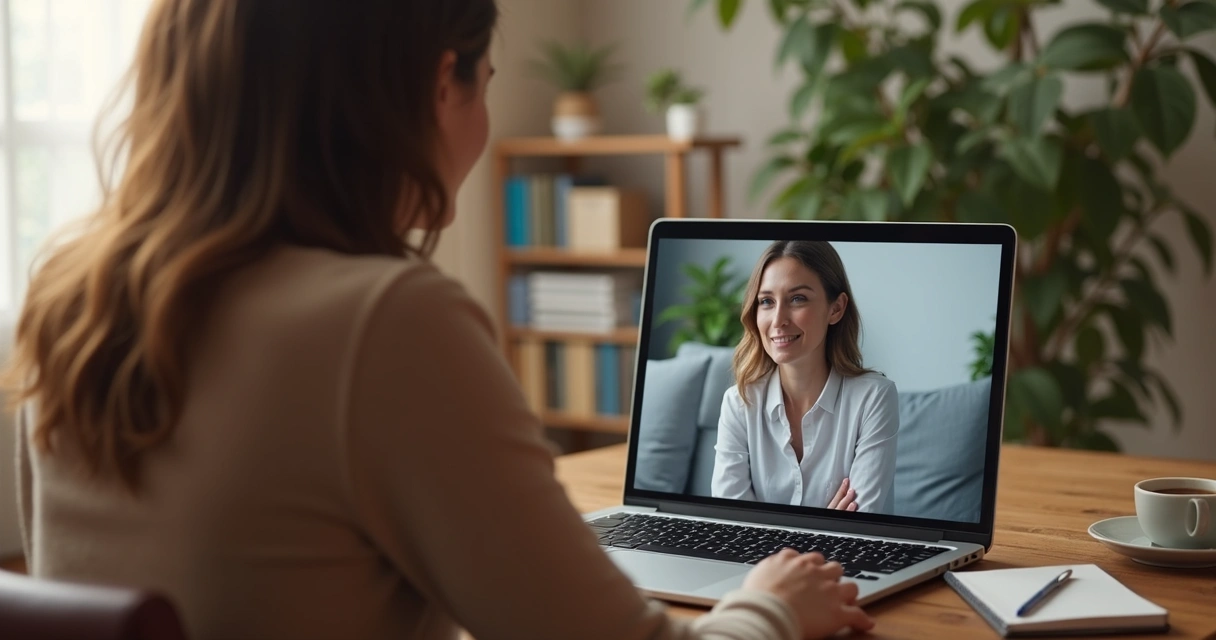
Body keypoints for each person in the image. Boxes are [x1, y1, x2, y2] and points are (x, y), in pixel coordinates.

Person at [2, 1, 876, 639]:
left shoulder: (73, 301)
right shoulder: (381, 322)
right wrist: (773, 605)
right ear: (436, 87)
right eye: (486, 82)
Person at [712, 241, 899, 513]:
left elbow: (859, 526)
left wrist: (768, 532)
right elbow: (730, 524)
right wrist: (825, 524)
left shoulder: (874, 398)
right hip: (758, 559)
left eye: (797, 298)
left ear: (835, 309)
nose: (778, 320)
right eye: (766, 301)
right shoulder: (739, 402)